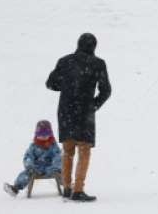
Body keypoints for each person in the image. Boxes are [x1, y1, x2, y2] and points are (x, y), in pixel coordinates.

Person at [45, 33, 112, 202]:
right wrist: (94, 105)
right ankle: (78, 190)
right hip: (84, 111)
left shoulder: (64, 61)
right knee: (84, 150)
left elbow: (51, 83)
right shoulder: (98, 64)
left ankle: (67, 188)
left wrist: (68, 86)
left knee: (67, 150)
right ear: (94, 46)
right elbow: (106, 90)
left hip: (65, 110)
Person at [3, 120, 62, 197]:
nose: (43, 137)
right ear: (36, 134)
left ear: (50, 134)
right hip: (36, 168)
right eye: (40, 134)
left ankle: (68, 187)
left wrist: (56, 167)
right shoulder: (33, 146)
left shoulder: (53, 146)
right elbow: (28, 157)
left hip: (50, 168)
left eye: (46, 134)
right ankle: (16, 188)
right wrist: (30, 166)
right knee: (25, 174)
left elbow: (58, 156)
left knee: (62, 174)